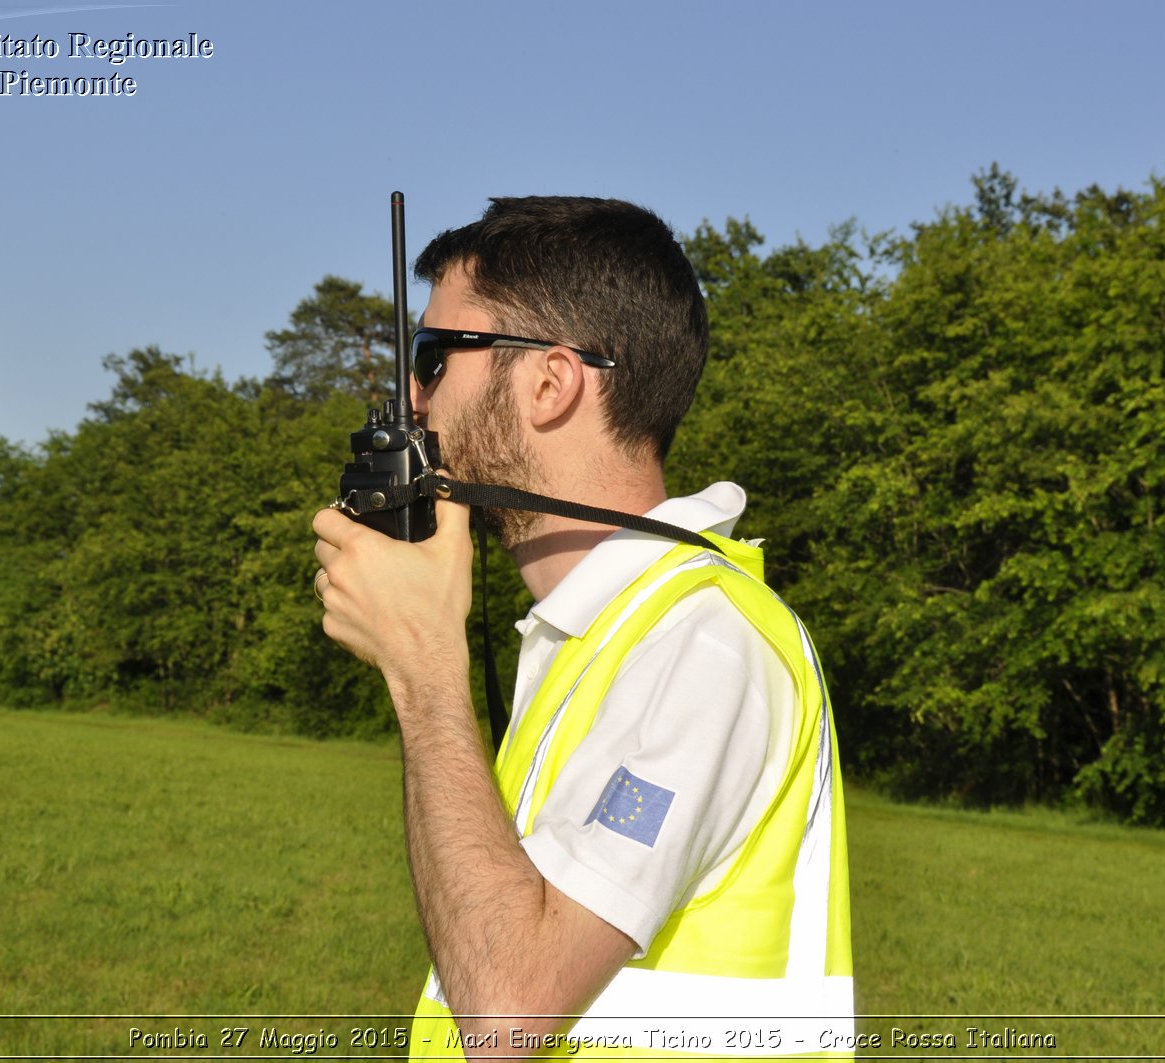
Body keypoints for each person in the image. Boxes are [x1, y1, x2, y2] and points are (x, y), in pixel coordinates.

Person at [312, 197, 851, 1058]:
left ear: (551, 382)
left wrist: (423, 668)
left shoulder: (702, 644)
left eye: (433, 357)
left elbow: (507, 1012)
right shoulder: (596, 638)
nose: (411, 401)